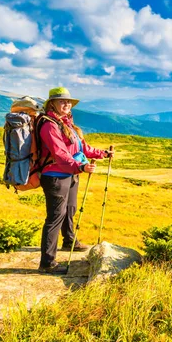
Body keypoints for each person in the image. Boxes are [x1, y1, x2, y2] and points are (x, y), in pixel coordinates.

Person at [37, 87, 114, 274]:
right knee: (55, 216)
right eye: (62, 101)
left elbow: (80, 147)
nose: (67, 104)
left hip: (70, 174)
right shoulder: (49, 125)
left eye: (69, 101)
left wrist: (102, 153)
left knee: (70, 209)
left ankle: (69, 240)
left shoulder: (66, 123)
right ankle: (47, 263)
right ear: (52, 104)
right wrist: (79, 167)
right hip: (54, 175)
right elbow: (59, 153)